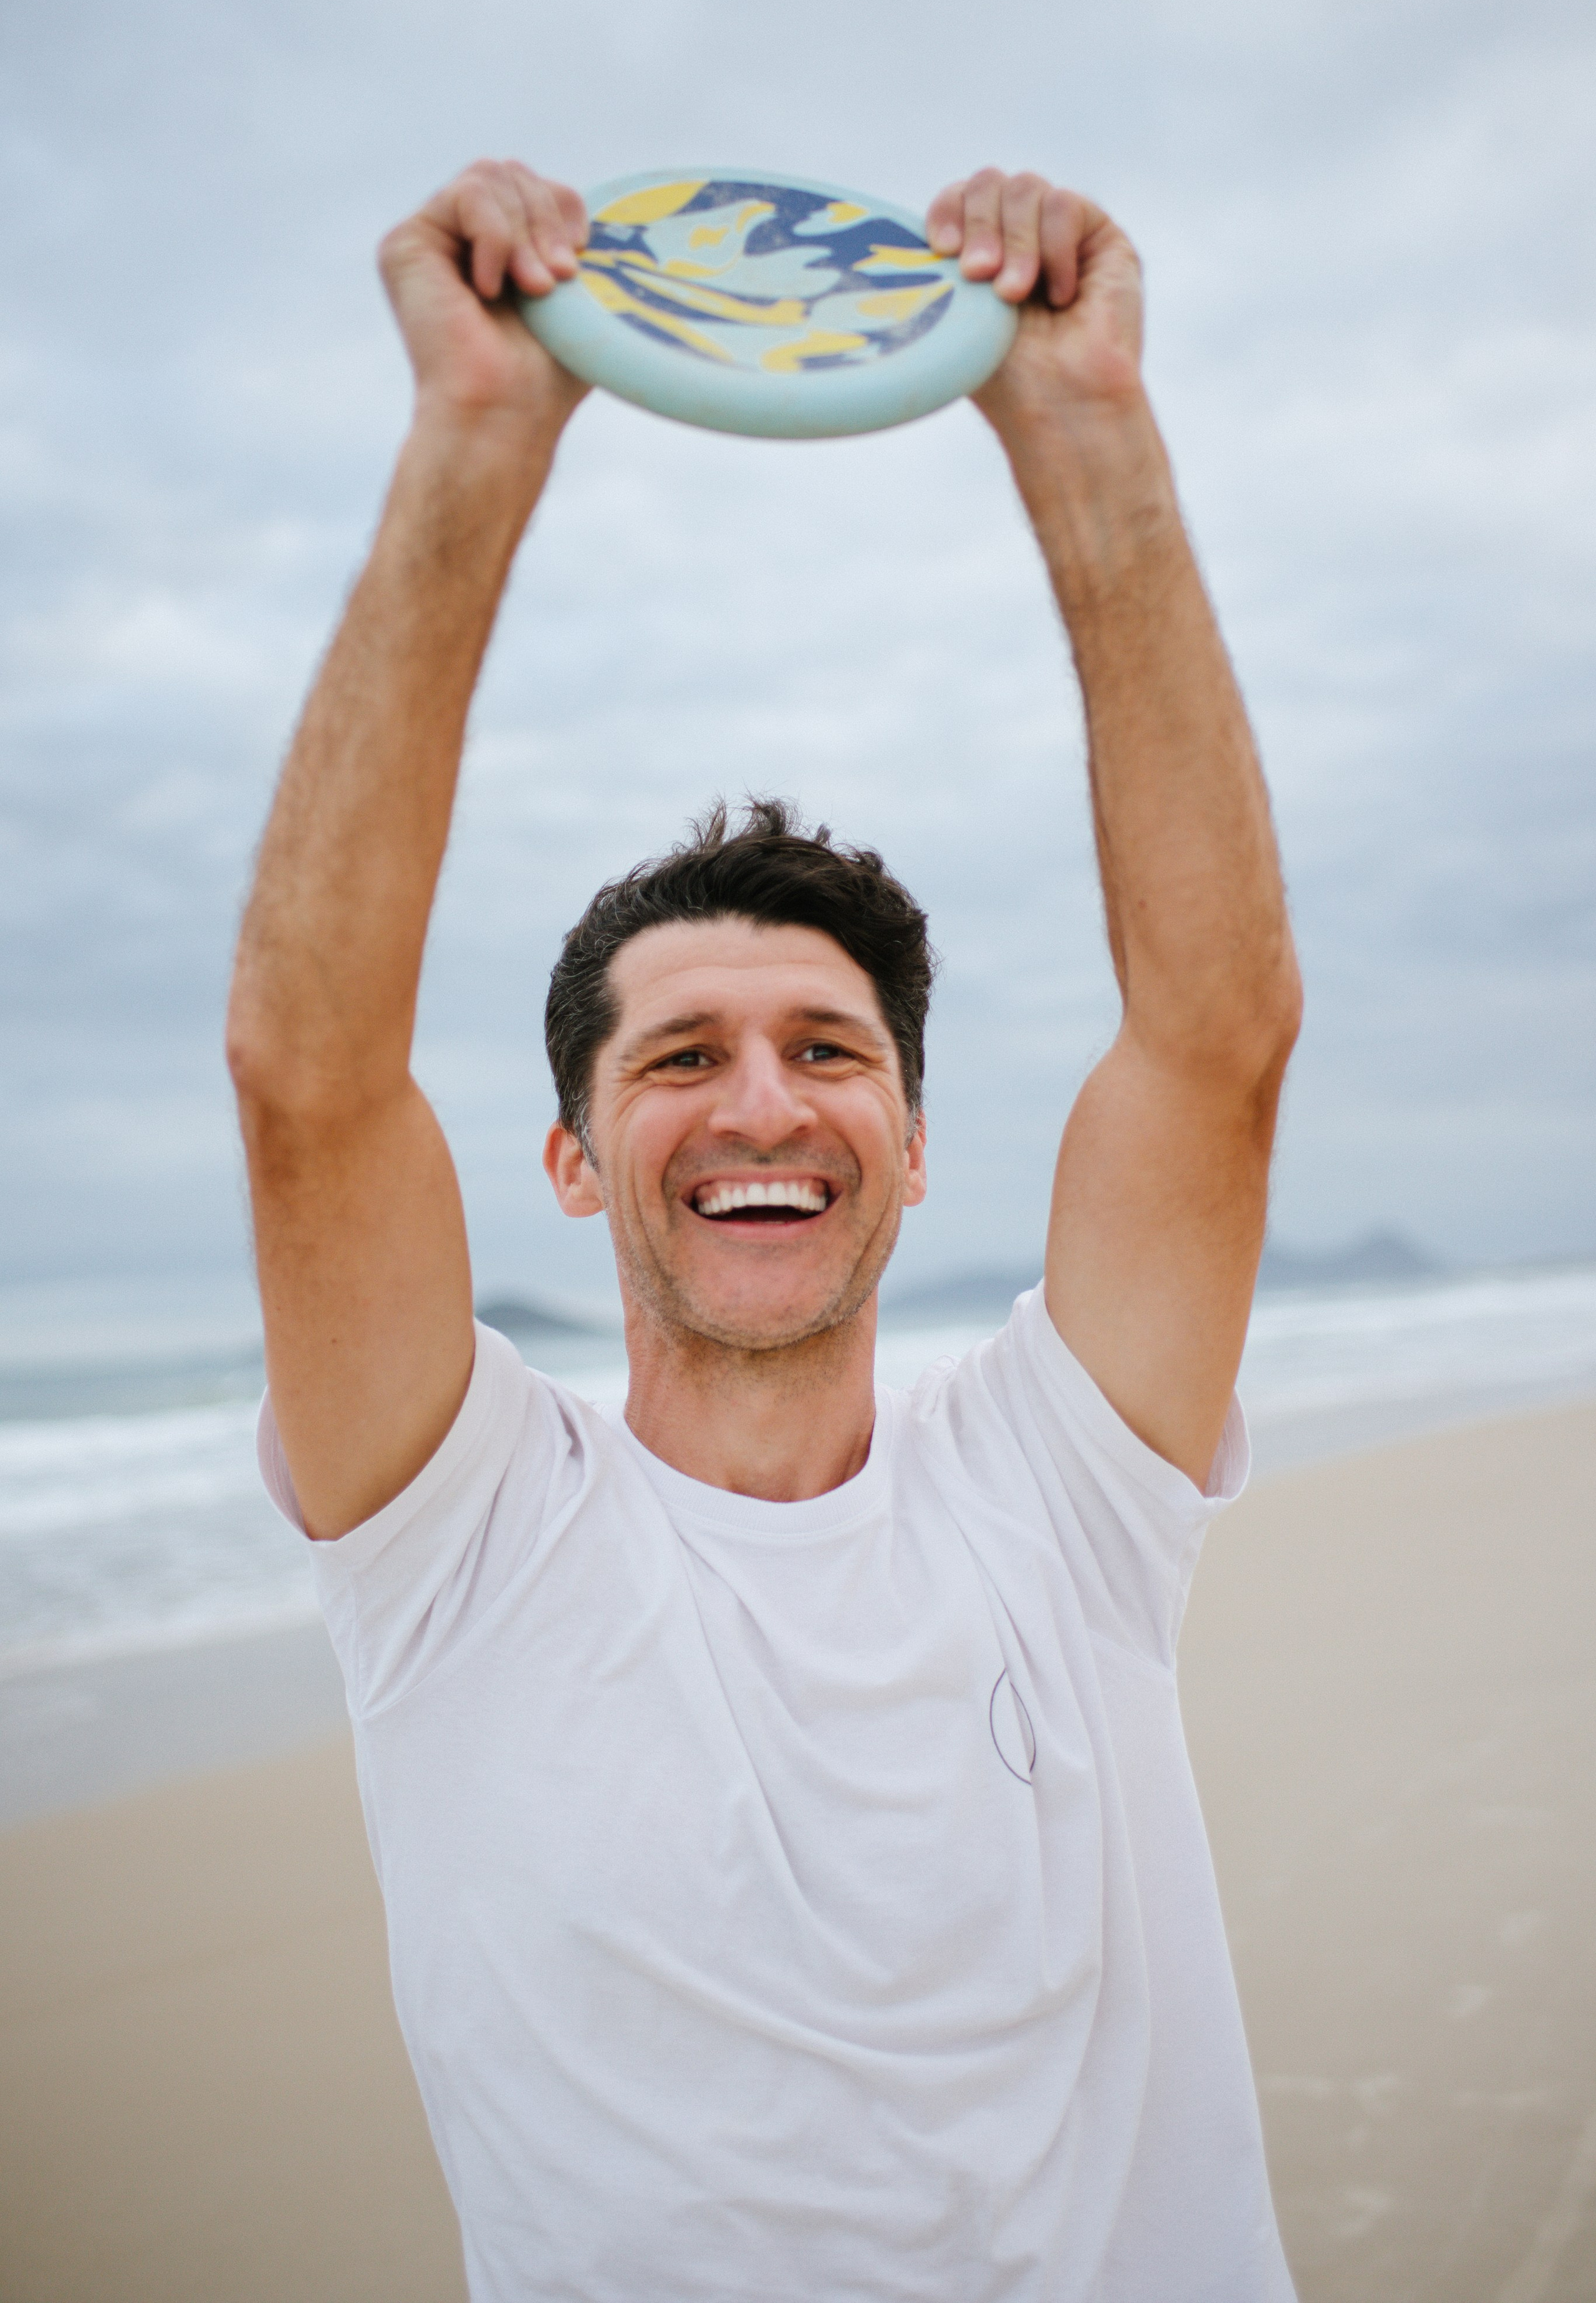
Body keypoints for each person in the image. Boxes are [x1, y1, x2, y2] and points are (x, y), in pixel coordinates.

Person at [228, 159, 1302, 2302]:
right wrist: (475, 446)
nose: (758, 1105)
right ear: (567, 1158)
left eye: (829, 1050)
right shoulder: (459, 1538)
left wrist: (1089, 436)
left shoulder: (1060, 1488)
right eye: (676, 1058)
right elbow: (309, 1080)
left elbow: (1216, 1037)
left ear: (913, 1146)